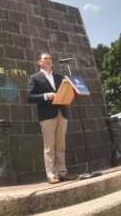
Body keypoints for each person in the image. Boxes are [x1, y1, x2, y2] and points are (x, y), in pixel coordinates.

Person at [27, 52, 72, 184]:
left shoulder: (60, 77)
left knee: (61, 145)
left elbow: (65, 92)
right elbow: (30, 97)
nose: (48, 60)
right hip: (47, 116)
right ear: (39, 62)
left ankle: (62, 172)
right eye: (45, 59)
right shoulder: (35, 78)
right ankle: (51, 174)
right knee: (49, 147)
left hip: (62, 113)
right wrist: (46, 96)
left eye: (50, 59)